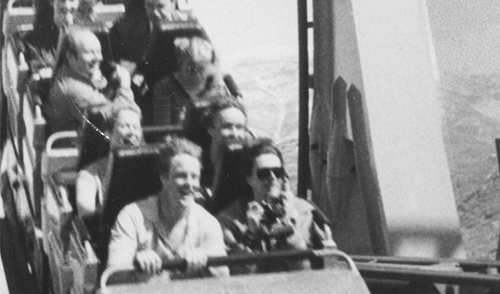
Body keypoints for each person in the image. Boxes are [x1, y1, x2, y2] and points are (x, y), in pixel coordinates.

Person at [107, 135, 227, 276]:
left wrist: (207, 265)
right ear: (164, 177)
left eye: (194, 177)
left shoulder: (208, 222)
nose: (190, 183)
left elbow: (224, 277)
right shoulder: (132, 216)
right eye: (181, 176)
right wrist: (136, 266)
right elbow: (112, 275)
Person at [216, 140, 335, 261]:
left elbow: (330, 263)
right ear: (249, 179)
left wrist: (290, 232)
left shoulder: (306, 213)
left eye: (277, 173)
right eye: (264, 174)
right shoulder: (230, 222)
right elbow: (240, 273)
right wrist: (252, 235)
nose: (272, 178)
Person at [45, 25, 136, 133]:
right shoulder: (75, 88)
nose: (99, 58)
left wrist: (110, 84)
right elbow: (119, 118)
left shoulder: (68, 73)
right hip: (78, 147)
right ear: (70, 56)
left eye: (98, 51)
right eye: (90, 52)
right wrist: (125, 86)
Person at [75, 104, 143, 218]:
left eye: (136, 127)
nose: (132, 132)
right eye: (125, 126)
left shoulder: (150, 170)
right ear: (109, 133)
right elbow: (86, 214)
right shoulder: (89, 175)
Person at [150, 36, 228, 125]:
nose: (196, 70)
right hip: (179, 137)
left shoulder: (215, 82)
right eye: (190, 64)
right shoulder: (165, 87)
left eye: (201, 65)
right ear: (181, 63)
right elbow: (163, 130)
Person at [108, 0, 178, 70]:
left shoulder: (188, 29)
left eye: (160, 6)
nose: (155, 12)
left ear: (172, 4)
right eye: (150, 5)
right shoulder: (124, 29)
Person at [22, 0, 81, 71]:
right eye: (62, 0)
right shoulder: (33, 39)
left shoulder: (87, 33)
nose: (67, 6)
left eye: (72, 0)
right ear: (52, 1)